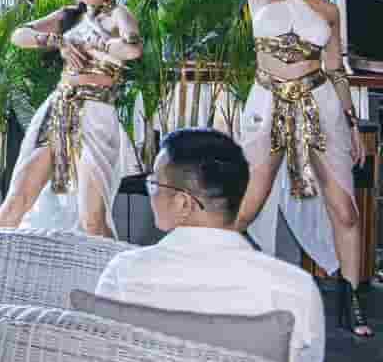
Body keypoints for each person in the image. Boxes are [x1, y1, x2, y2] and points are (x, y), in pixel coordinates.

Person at [214, 0, 371, 338]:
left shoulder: (328, 12)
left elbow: (336, 69)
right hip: (268, 104)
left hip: (320, 106)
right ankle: (217, 285)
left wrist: (353, 123)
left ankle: (352, 299)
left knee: (345, 209)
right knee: (248, 205)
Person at [96, 128, 325, 362]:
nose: (151, 194)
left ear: (183, 203)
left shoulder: (124, 274)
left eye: (154, 184)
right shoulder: (295, 289)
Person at [0, 0, 141, 236]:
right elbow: (18, 35)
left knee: (92, 219)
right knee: (18, 199)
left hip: (96, 115)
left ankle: (111, 266)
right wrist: (57, 41)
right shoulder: (70, 16)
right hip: (58, 109)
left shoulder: (119, 15)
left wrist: (97, 45)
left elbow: (133, 49)